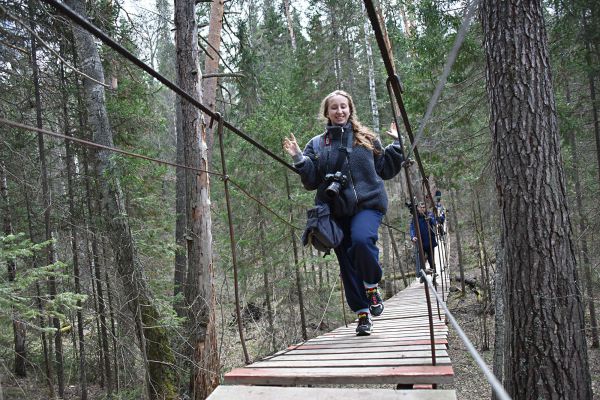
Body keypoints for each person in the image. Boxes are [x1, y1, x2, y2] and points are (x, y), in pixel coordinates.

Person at [283, 90, 404, 336]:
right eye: (334, 108)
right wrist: (298, 157)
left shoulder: (367, 138)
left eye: (343, 107)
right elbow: (311, 180)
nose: (339, 111)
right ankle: (362, 316)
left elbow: (385, 169)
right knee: (347, 264)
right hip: (336, 212)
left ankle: (371, 286)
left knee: (362, 240)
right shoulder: (317, 144)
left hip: (368, 205)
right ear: (326, 113)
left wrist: (397, 145)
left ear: (350, 109)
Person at [410, 201, 443, 281]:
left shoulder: (429, 215)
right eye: (420, 207)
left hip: (430, 242)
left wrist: (431, 219)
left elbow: (435, 223)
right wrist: (413, 236)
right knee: (421, 261)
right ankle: (423, 276)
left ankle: (434, 276)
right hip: (420, 242)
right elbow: (412, 228)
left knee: (431, 259)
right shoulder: (415, 218)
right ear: (418, 208)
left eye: (424, 207)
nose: (422, 209)